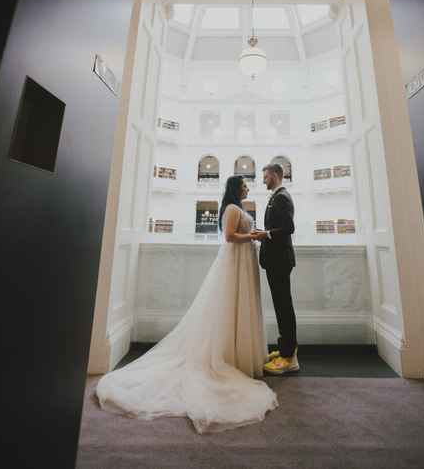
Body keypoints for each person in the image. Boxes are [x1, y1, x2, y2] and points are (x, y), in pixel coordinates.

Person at [96, 175, 278, 433]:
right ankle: (229, 356)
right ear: (236, 188)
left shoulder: (237, 208)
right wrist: (253, 236)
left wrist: (251, 236)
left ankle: (239, 355)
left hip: (242, 262)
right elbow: (228, 236)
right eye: (245, 185)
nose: (249, 188)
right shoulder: (232, 208)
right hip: (235, 261)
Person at [252, 163, 299, 375]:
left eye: (266, 176)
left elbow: (289, 228)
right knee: (282, 306)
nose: (263, 180)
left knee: (284, 307)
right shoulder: (277, 196)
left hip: (280, 260)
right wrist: (265, 232)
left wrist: (266, 234)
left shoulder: (281, 197)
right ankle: (285, 351)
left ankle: (289, 358)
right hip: (276, 260)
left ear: (276, 175)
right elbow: (279, 227)